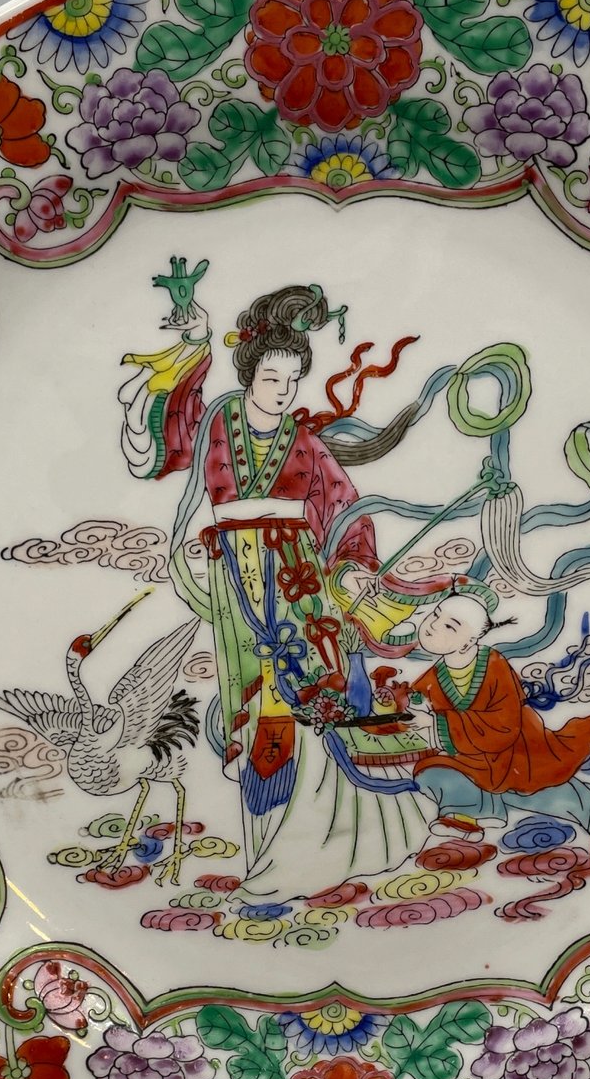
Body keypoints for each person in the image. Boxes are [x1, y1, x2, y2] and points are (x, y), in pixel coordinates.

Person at [124, 279, 429, 893]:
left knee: (321, 687)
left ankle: (332, 840)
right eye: (272, 378)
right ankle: (267, 848)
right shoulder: (218, 423)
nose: (284, 391)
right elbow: (170, 431)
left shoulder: (306, 443)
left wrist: (354, 566)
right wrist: (193, 341)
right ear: (249, 374)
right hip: (236, 580)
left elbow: (344, 508)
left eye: (293, 380)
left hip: (299, 578)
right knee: (258, 701)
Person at [408, 582, 590, 856]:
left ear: (469, 640)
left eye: (450, 626)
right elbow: (414, 705)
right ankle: (467, 816)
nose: (433, 626)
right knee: (431, 772)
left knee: (540, 790)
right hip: (471, 756)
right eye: (435, 615)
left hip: (515, 749)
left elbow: (505, 725)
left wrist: (437, 724)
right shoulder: (434, 677)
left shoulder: (493, 666)